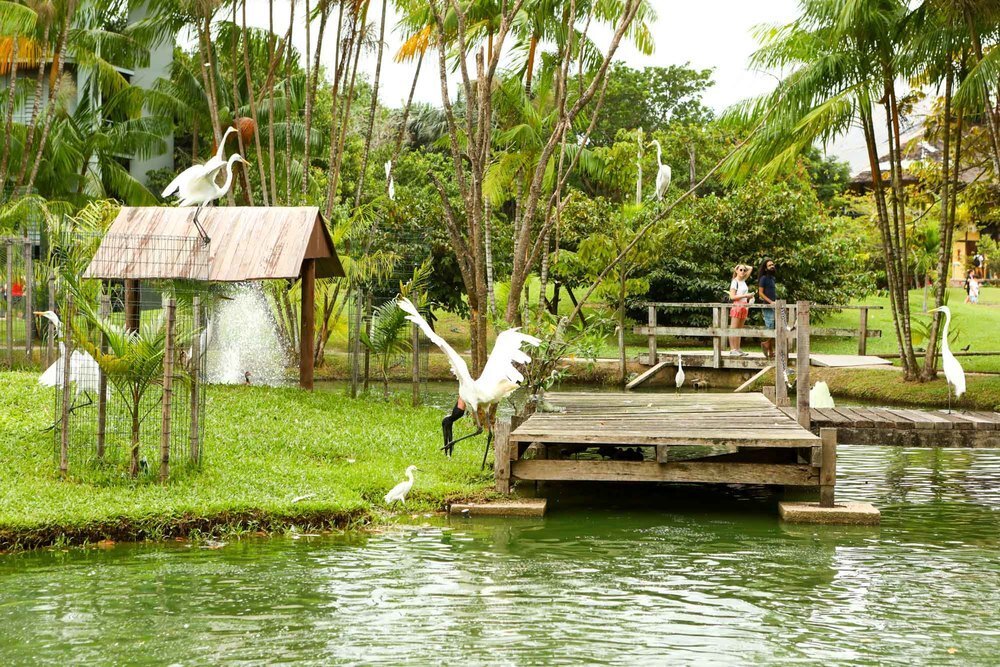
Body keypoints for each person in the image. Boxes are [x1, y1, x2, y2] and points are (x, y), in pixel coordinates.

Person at [728, 264, 753, 356]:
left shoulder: (743, 280)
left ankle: (738, 348)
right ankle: (732, 349)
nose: (743, 271)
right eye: (741, 270)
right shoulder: (735, 282)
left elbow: (751, 268)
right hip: (737, 306)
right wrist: (745, 295)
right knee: (733, 328)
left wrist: (743, 266)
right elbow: (732, 296)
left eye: (744, 270)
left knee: (739, 329)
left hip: (744, 306)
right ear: (736, 271)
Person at [757, 258, 778, 359]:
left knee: (773, 328)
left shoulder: (772, 279)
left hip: (774, 305)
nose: (772, 266)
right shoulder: (763, 278)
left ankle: (770, 351)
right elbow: (760, 293)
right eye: (769, 265)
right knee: (770, 327)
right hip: (767, 306)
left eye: (773, 264)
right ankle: (766, 344)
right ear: (765, 268)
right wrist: (770, 302)